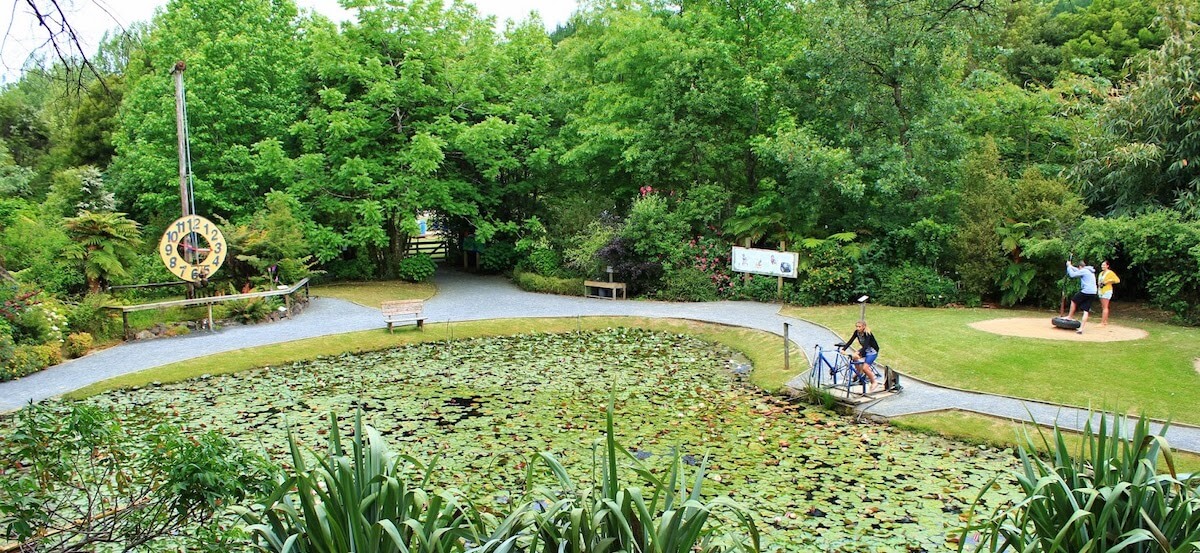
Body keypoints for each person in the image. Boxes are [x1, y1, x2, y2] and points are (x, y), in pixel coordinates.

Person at [841, 320, 880, 392]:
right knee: (854, 357)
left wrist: (858, 352)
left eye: (859, 327)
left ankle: (874, 382)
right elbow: (850, 341)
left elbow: (865, 346)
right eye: (857, 326)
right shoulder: (857, 332)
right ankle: (859, 373)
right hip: (865, 350)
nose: (858, 328)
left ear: (864, 327)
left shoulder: (867, 333)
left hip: (872, 351)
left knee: (865, 368)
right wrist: (843, 349)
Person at [1065, 260, 1098, 334]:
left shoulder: (1084, 271)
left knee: (1073, 300)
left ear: (1080, 267)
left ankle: (1070, 317)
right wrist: (1071, 266)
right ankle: (1081, 329)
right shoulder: (1089, 270)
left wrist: (1068, 267)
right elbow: (1077, 270)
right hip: (1093, 292)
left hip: (1086, 291)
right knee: (1086, 310)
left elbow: (1072, 275)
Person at [1097, 260, 1121, 326]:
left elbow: (1117, 280)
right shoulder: (1101, 273)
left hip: (1107, 290)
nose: (1102, 266)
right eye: (1102, 265)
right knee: (1103, 307)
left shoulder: (1110, 273)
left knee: (1105, 307)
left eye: (1104, 265)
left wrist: (1109, 281)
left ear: (1107, 266)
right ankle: (1105, 321)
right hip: (1101, 290)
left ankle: (1102, 322)